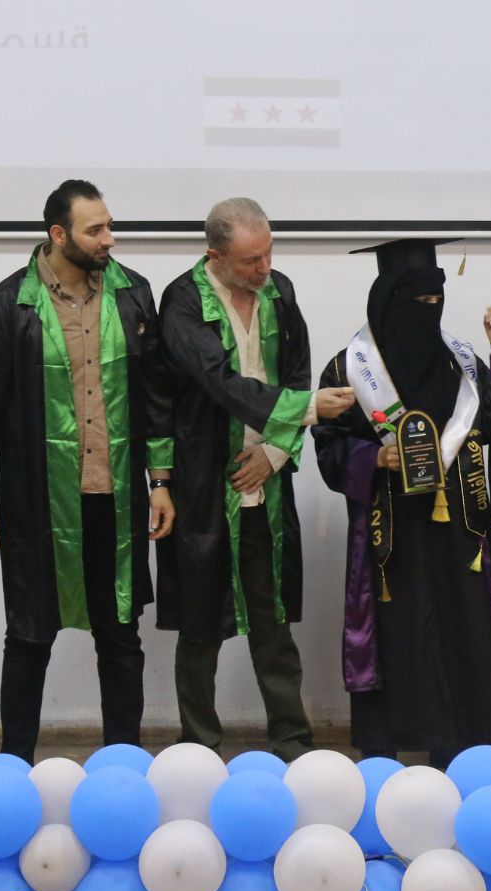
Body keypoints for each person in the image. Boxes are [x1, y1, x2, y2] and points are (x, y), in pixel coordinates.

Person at [0, 179, 173, 763]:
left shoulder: (132, 295)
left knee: (121, 638)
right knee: (28, 636)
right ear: (58, 235)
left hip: (115, 495)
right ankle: (11, 766)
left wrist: (161, 481)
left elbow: (155, 397)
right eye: (95, 230)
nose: (109, 239)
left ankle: (122, 766)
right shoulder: (8, 305)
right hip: (37, 501)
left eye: (109, 226)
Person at [312, 238, 491, 766]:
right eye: (417, 303)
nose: (429, 313)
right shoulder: (350, 369)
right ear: (387, 301)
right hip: (388, 530)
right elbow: (327, 445)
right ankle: (388, 741)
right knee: (394, 631)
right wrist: (373, 459)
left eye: (437, 302)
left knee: (462, 626)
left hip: (456, 522)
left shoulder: (461, 363)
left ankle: (464, 738)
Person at [155, 198, 356, 761]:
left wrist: (276, 449)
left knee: (272, 622)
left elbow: (296, 373)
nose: (264, 267)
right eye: (250, 260)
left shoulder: (280, 292)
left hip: (265, 476)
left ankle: (292, 740)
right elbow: (220, 384)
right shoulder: (183, 302)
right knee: (201, 624)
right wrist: (310, 408)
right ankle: (199, 744)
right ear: (214, 256)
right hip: (202, 483)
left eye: (269, 252)